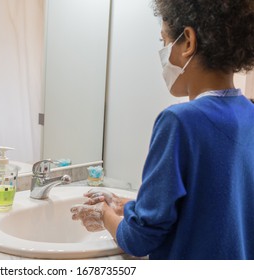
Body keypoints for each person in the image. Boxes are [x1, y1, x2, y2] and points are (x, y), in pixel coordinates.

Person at [71, 0, 254, 260]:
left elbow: (138, 240)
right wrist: (125, 207)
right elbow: (209, 210)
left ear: (188, 42)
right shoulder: (249, 114)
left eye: (164, 41)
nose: (163, 52)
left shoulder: (180, 122)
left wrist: (103, 213)